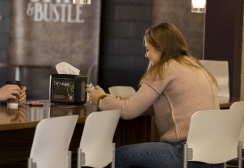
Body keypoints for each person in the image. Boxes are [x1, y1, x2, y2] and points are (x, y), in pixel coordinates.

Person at [86, 22, 221, 168]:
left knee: (116, 157)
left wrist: (100, 99)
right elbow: (149, 105)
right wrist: (113, 99)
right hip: (215, 154)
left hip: (185, 154)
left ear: (160, 48)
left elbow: (129, 111)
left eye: (148, 49)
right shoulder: (195, 66)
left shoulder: (165, 67)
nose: (146, 55)